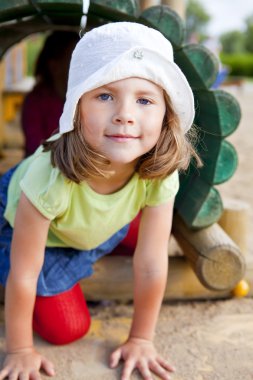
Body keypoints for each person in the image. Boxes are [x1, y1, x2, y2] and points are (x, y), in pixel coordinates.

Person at [0, 22, 202, 380]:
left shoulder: (157, 170)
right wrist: (20, 349)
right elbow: (25, 272)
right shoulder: (50, 179)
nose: (125, 114)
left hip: (88, 220)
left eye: (144, 99)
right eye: (105, 96)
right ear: (77, 107)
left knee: (150, 233)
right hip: (24, 224)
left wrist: (142, 338)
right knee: (67, 328)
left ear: (166, 115)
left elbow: (153, 263)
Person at [21, 30, 79, 156]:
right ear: (54, 67)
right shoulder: (35, 102)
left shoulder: (84, 98)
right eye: (74, 58)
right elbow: (35, 148)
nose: (81, 64)